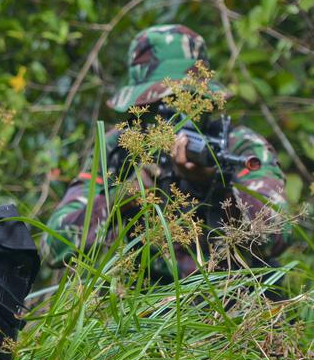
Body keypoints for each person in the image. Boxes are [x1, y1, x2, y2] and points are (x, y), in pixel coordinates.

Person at [45, 24, 288, 279]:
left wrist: (213, 186)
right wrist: (130, 194)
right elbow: (55, 247)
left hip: (230, 306)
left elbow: (277, 235)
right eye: (161, 107)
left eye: (190, 101)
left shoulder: (238, 147)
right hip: (139, 309)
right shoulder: (119, 146)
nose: (177, 119)